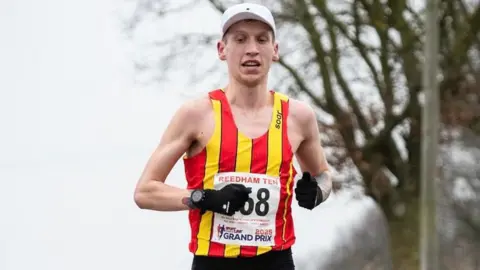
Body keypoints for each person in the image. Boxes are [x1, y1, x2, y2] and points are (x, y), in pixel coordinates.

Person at [133, 3, 333, 270]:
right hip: (213, 262)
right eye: (240, 39)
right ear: (222, 50)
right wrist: (202, 198)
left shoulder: (298, 116)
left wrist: (318, 192)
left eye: (262, 39)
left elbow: (323, 176)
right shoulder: (196, 114)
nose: (251, 48)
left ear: (274, 51)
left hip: (276, 261)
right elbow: (145, 192)